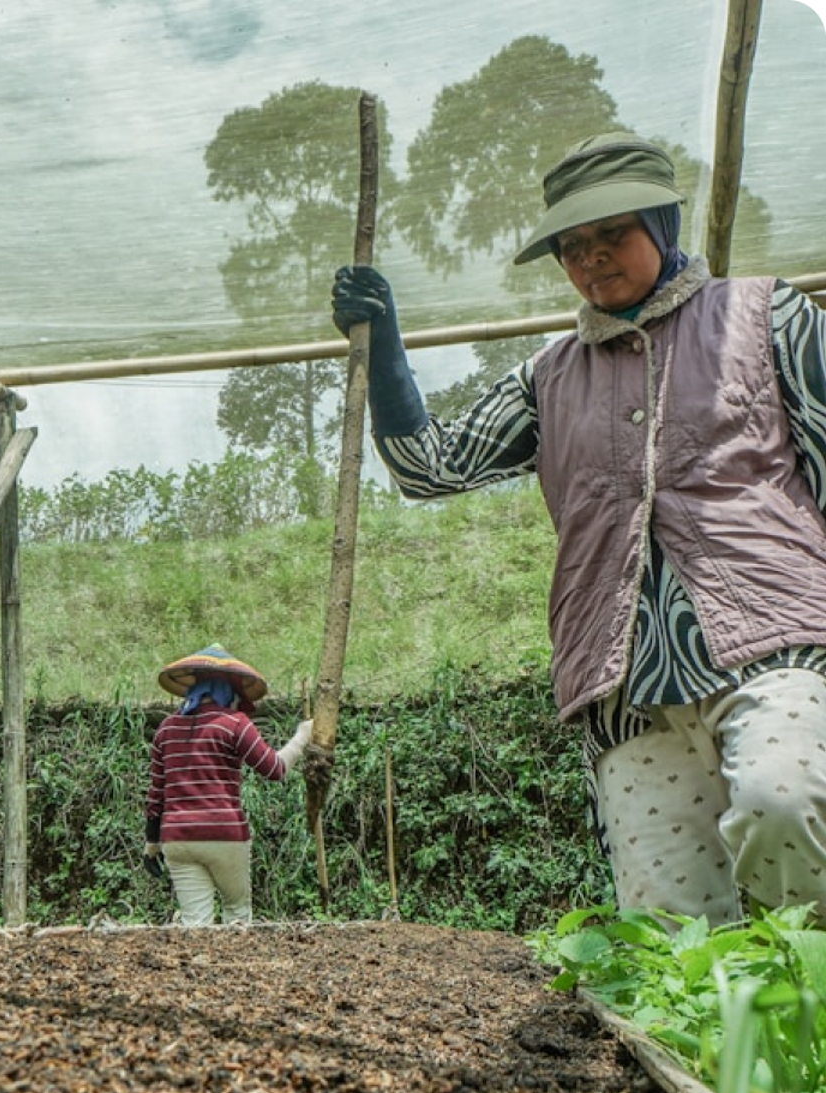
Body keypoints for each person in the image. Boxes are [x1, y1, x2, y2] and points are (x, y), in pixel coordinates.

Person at [331, 132, 826, 927]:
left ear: (663, 226)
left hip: (777, 646)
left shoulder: (766, 314)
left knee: (785, 800)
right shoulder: (549, 377)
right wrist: (384, 342)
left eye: (612, 235)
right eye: (572, 247)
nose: (591, 259)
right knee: (672, 927)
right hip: (626, 687)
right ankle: (717, 1048)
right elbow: (430, 468)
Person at [145, 643, 313, 926]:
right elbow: (274, 768)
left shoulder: (166, 729)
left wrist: (151, 842)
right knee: (236, 911)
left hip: (177, 838)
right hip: (224, 833)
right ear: (229, 693)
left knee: (195, 923)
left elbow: (156, 794)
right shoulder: (234, 722)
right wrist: (302, 736)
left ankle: (197, 968)